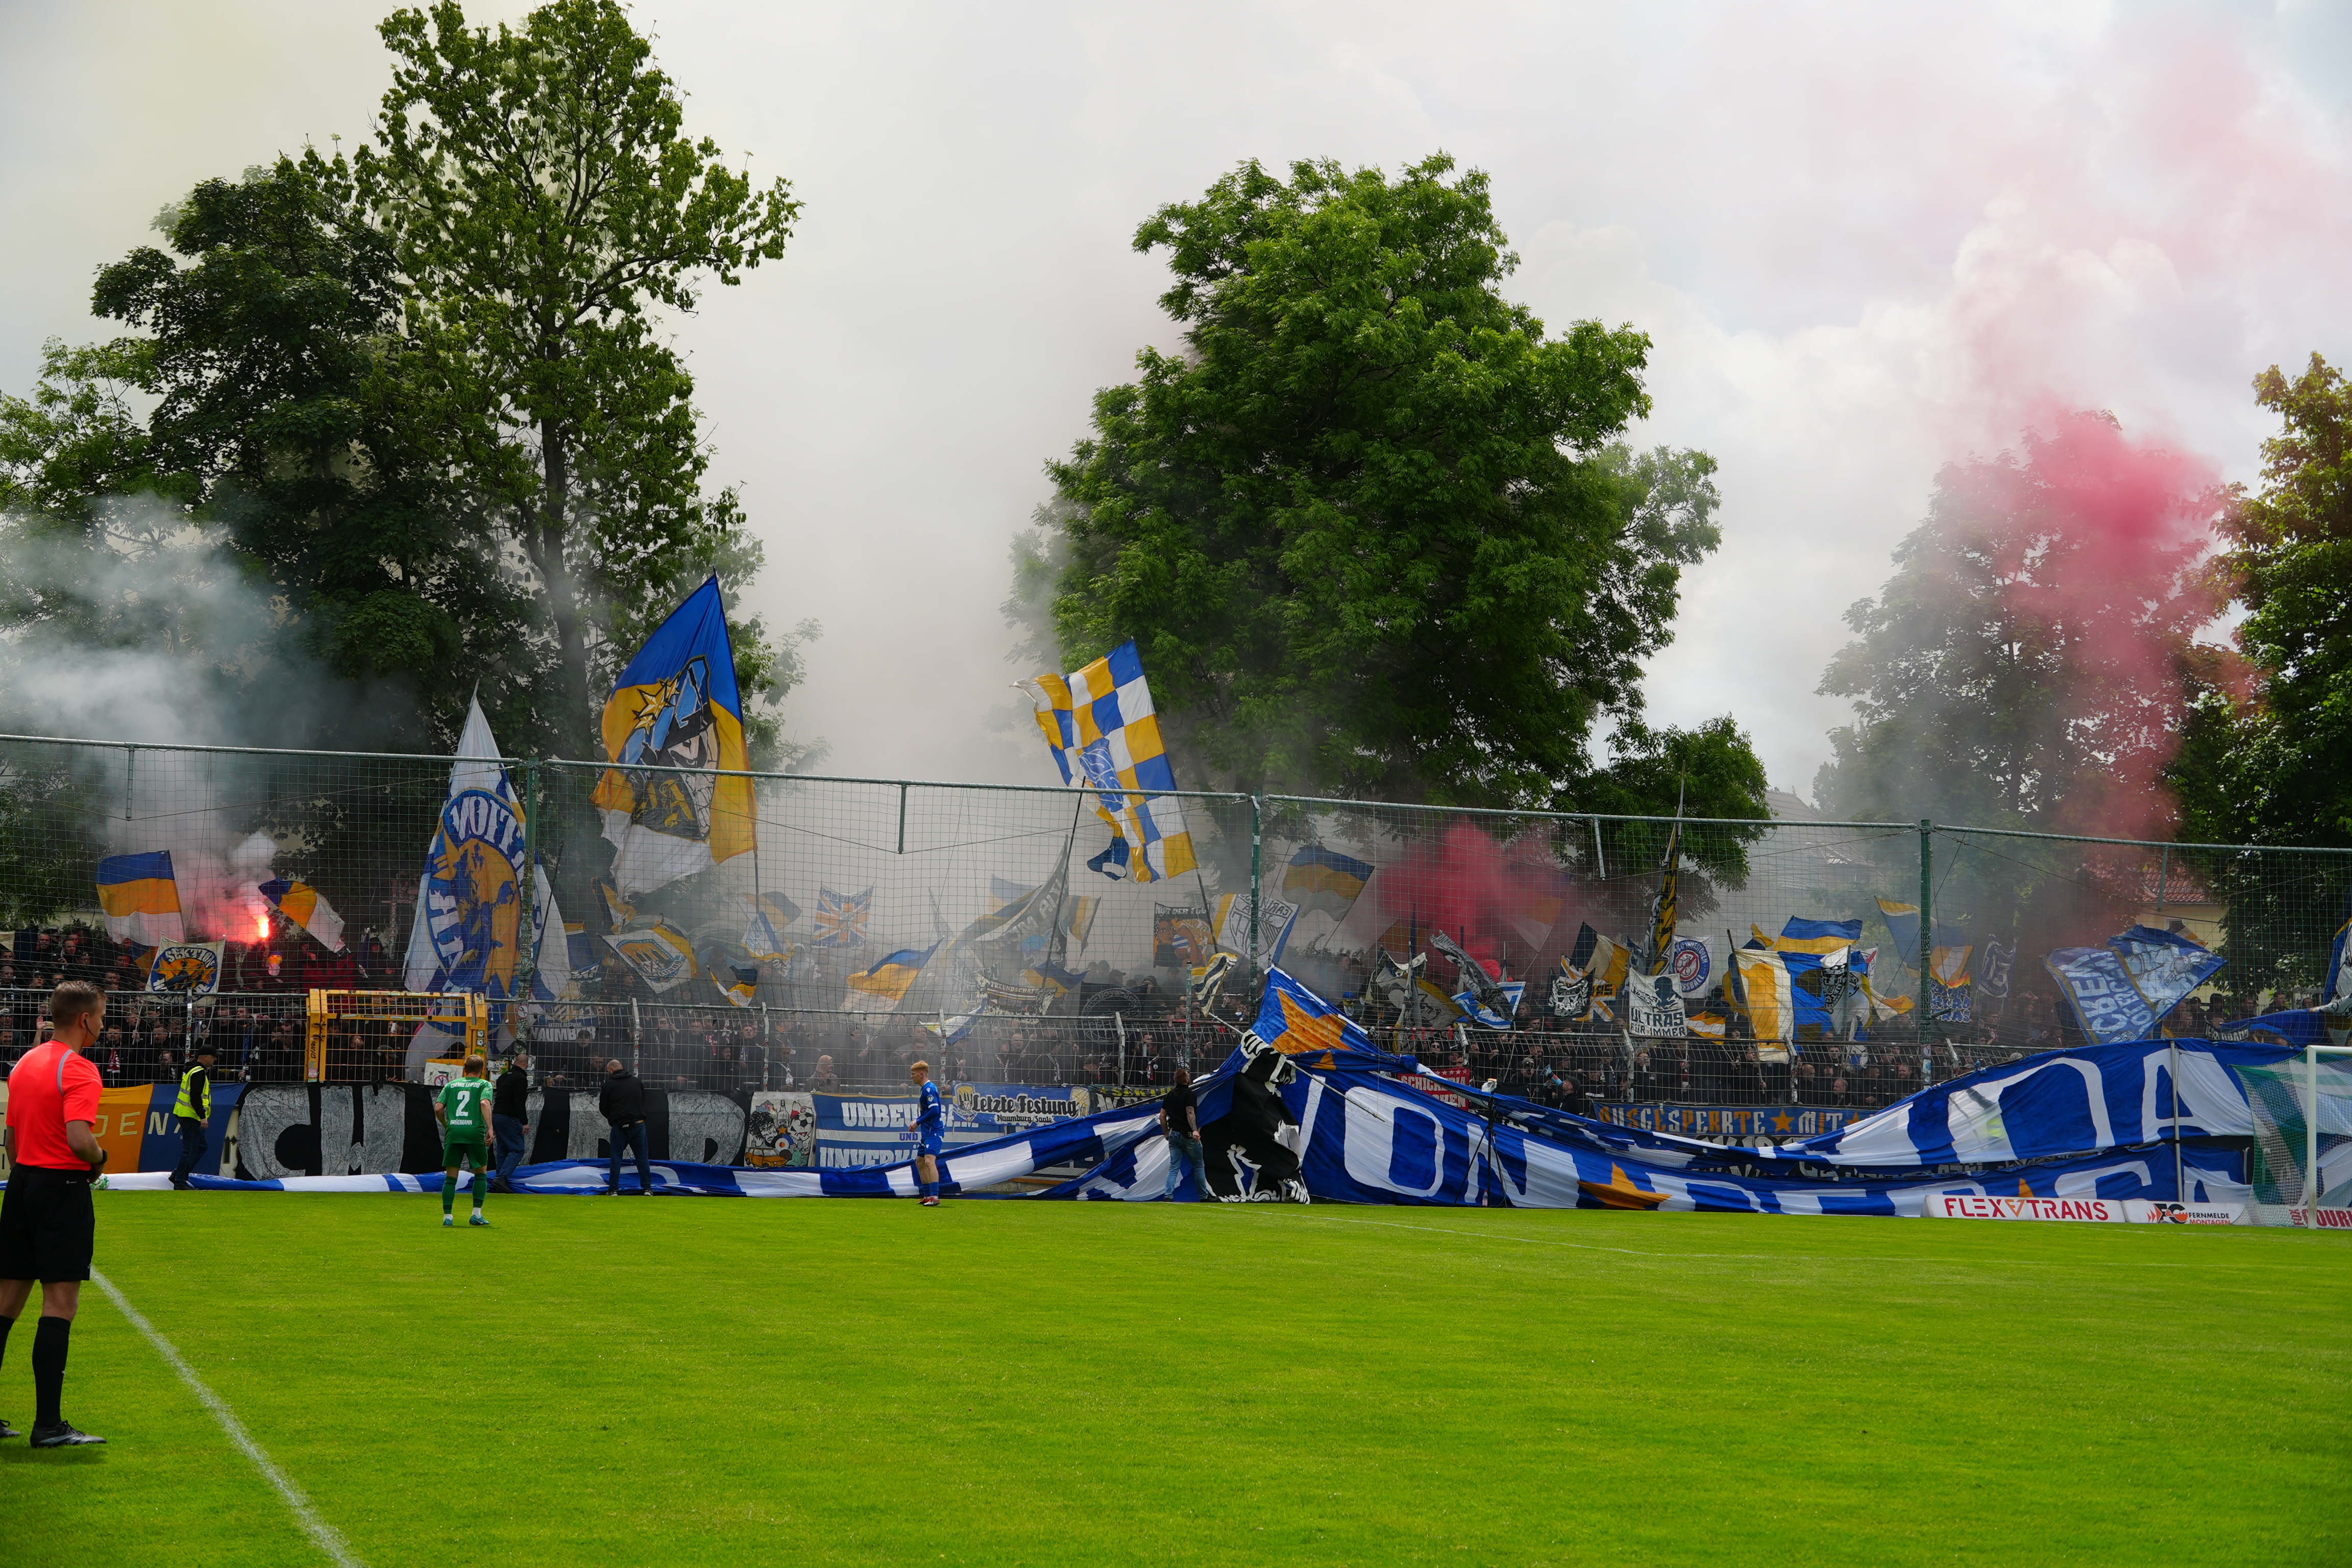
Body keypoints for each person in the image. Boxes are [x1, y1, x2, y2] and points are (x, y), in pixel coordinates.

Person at [0, 979, 110, 1446]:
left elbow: (10, 1136)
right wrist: (100, 1161)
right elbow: (79, 1139)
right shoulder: (80, 1069)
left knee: (5, 1304)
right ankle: (48, 1425)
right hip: (61, 1187)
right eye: (102, 1016)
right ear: (84, 1020)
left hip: (22, 1181)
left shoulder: (26, 1061)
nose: (103, 1025)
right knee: (59, 1305)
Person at [435, 1054, 496, 1228]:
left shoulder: (451, 1085)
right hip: (474, 1131)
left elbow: (438, 1108)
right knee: (481, 1173)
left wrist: (447, 1125)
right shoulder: (484, 1084)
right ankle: (476, 1214)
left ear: (464, 1068)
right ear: (482, 1070)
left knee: (450, 1177)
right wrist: (490, 1128)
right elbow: (485, 1104)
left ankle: (448, 1216)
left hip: (454, 1131)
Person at [167, 1042, 217, 1190]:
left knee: (201, 1147)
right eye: (214, 1057)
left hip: (187, 1114)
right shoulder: (199, 1072)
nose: (215, 1060)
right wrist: (203, 1117)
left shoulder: (193, 1070)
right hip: (191, 1115)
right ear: (206, 1057)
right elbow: (195, 1097)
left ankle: (178, 1175)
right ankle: (180, 1182)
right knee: (190, 1150)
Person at [600, 1057, 652, 1196]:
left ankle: (613, 1189)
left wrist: (613, 1119)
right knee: (642, 1158)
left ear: (611, 1070)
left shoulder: (608, 1085)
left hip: (620, 1126)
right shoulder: (636, 1082)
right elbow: (642, 1100)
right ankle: (647, 1188)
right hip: (638, 1124)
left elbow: (603, 1108)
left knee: (616, 1159)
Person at [1158, 1066, 1203, 1200]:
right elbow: (1190, 1112)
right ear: (1187, 1080)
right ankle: (1204, 1195)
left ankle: (1168, 1195)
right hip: (1188, 1135)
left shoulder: (1170, 1095)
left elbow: (1162, 1115)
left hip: (1173, 1135)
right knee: (1199, 1165)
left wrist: (1166, 1133)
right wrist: (1195, 1130)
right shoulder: (1190, 1095)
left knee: (1174, 1167)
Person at [491, 1051, 532, 1194]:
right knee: (517, 1149)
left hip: (497, 1115)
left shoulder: (503, 1077)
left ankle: (499, 1180)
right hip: (509, 1117)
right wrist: (524, 1122)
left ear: (515, 1062)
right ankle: (502, 1178)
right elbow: (519, 1102)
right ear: (527, 1065)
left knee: (503, 1149)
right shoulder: (520, 1079)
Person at [905, 1059, 944, 1206]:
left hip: (934, 1132)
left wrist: (918, 1122)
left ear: (921, 1074)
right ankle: (928, 1195)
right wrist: (920, 1120)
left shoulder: (929, 1089)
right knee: (920, 1162)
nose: (911, 1076)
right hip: (927, 1133)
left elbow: (935, 1110)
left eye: (913, 1074)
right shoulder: (925, 1089)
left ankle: (935, 1197)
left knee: (929, 1161)